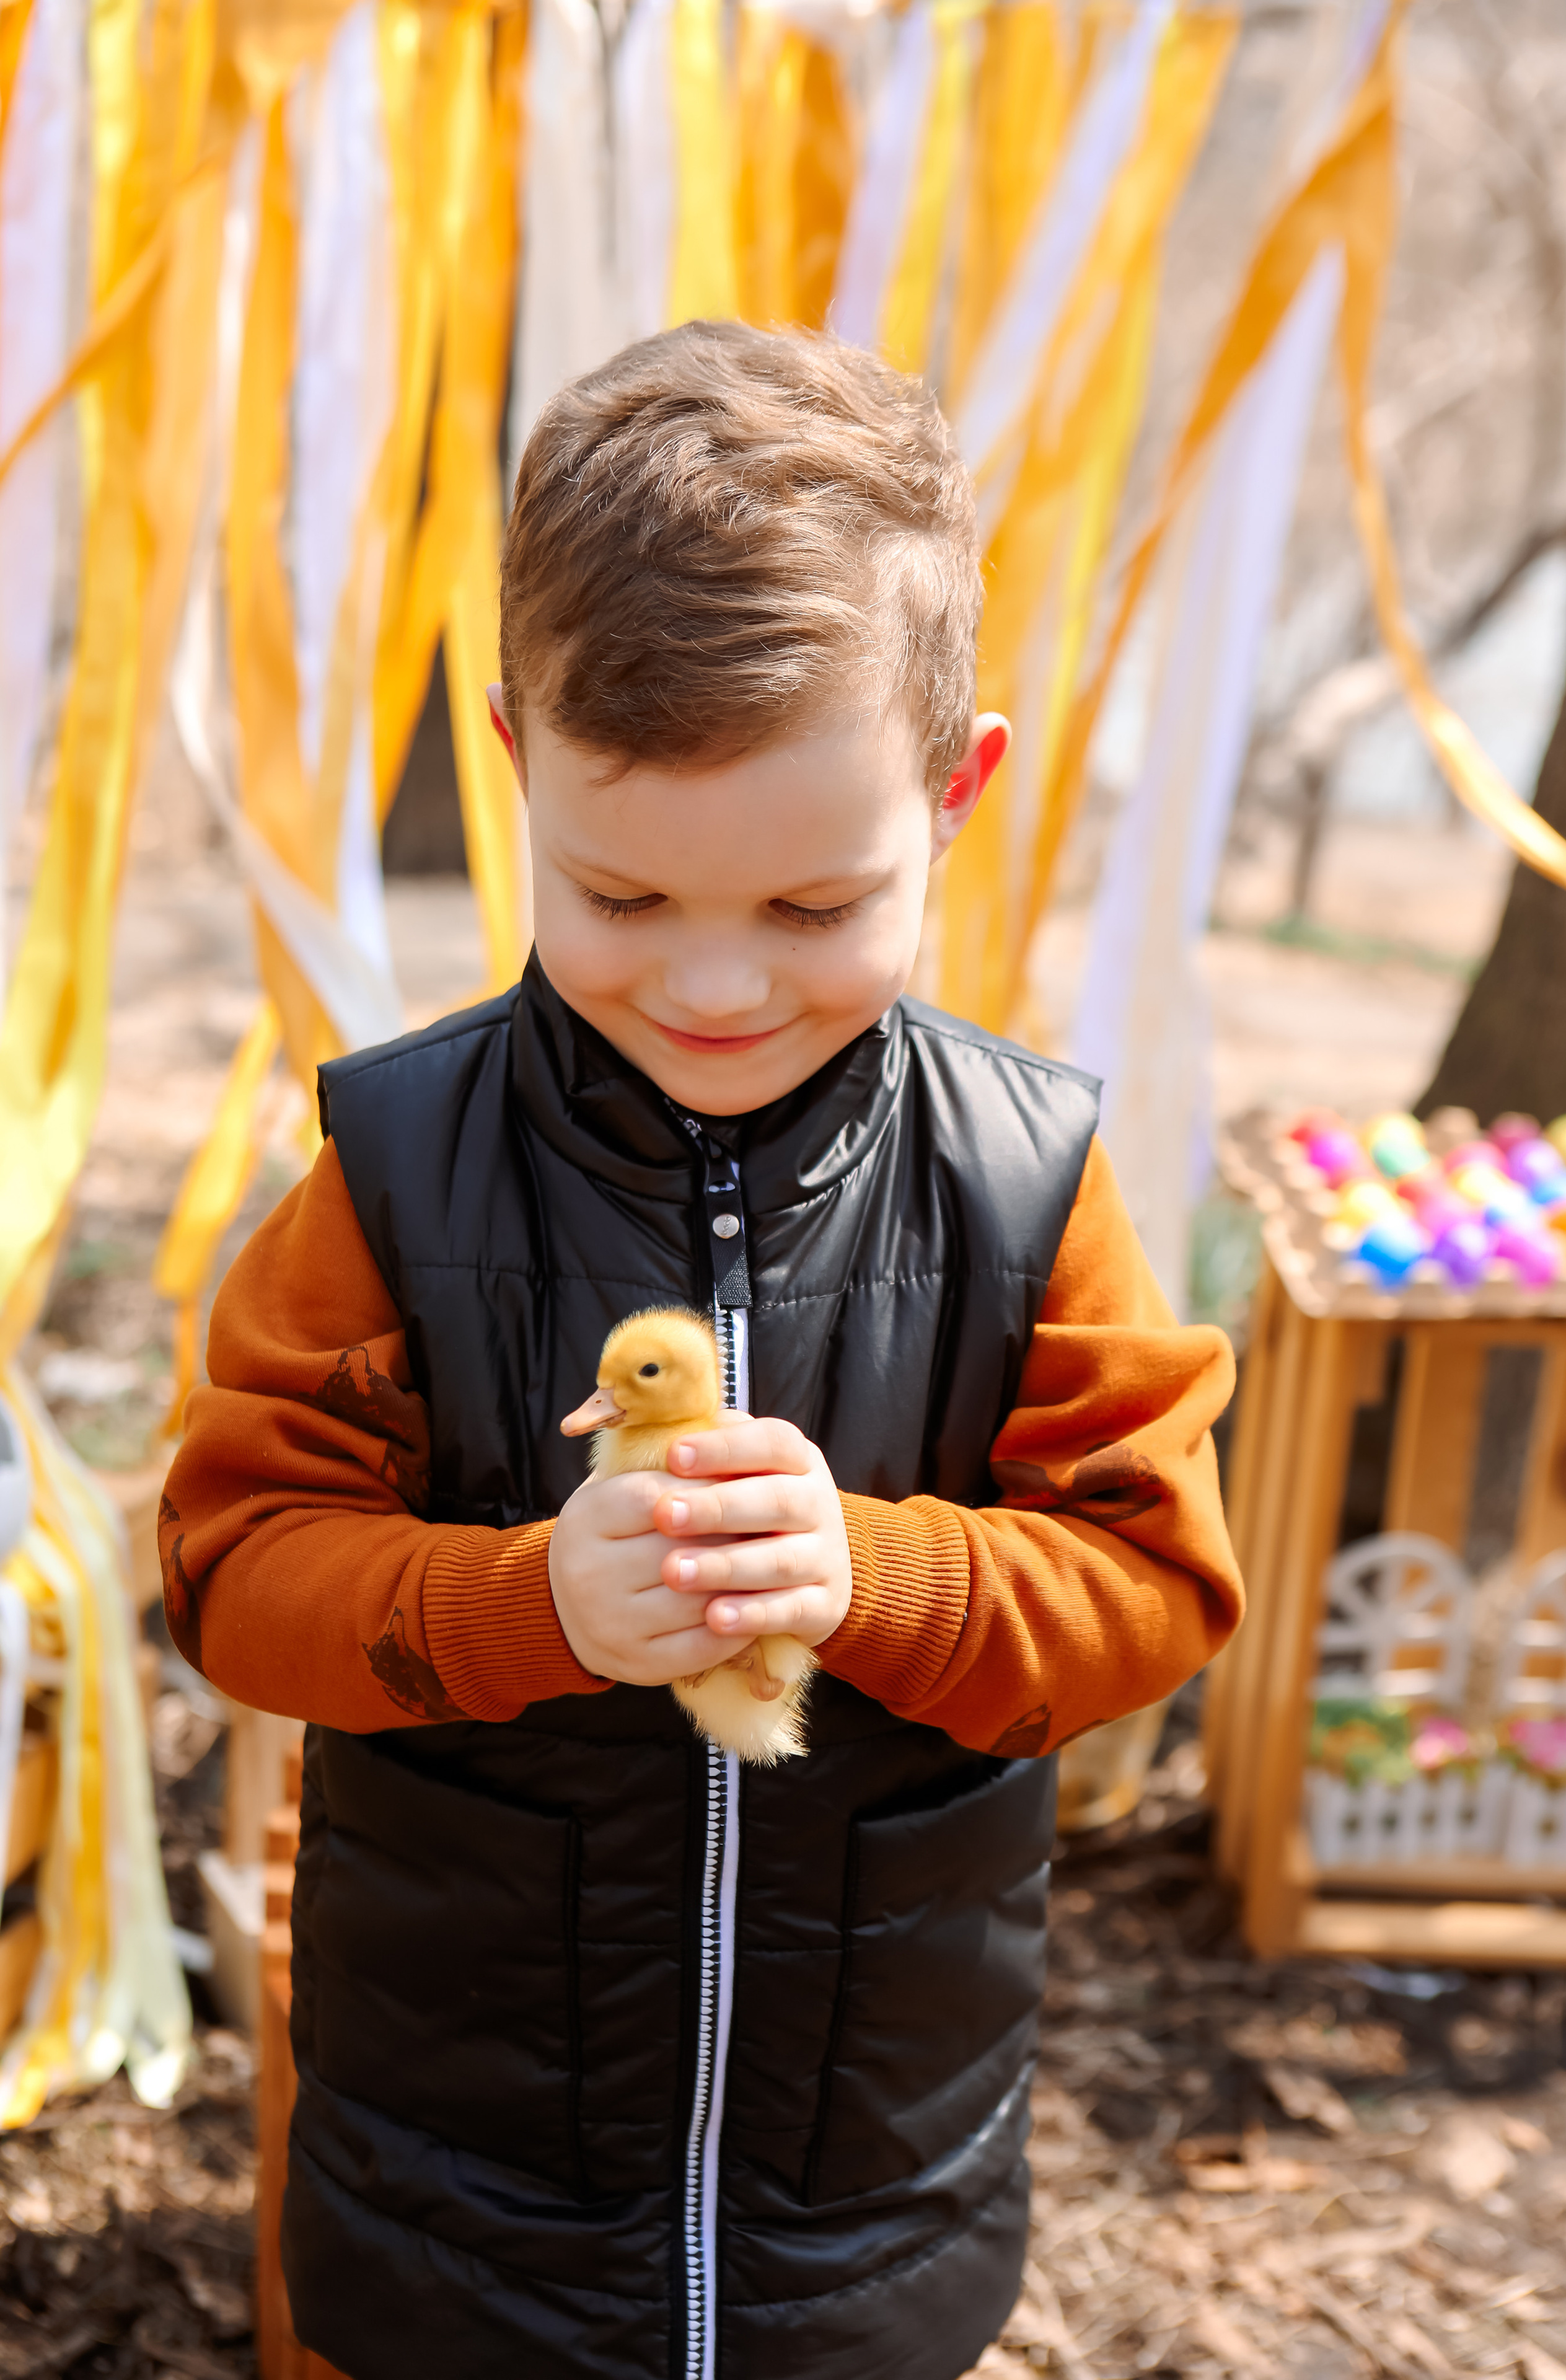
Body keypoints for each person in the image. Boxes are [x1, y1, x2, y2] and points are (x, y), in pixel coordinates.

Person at [161, 321, 1242, 2380]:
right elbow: (233, 1572)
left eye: (821, 905)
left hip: (870, 2187)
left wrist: (889, 1575)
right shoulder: (393, 1177)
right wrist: (523, 1603)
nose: (721, 984)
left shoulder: (1028, 1186)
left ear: (960, 793)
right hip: (460, 2184)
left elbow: (1157, 1582)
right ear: (513, 759)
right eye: (623, 891)